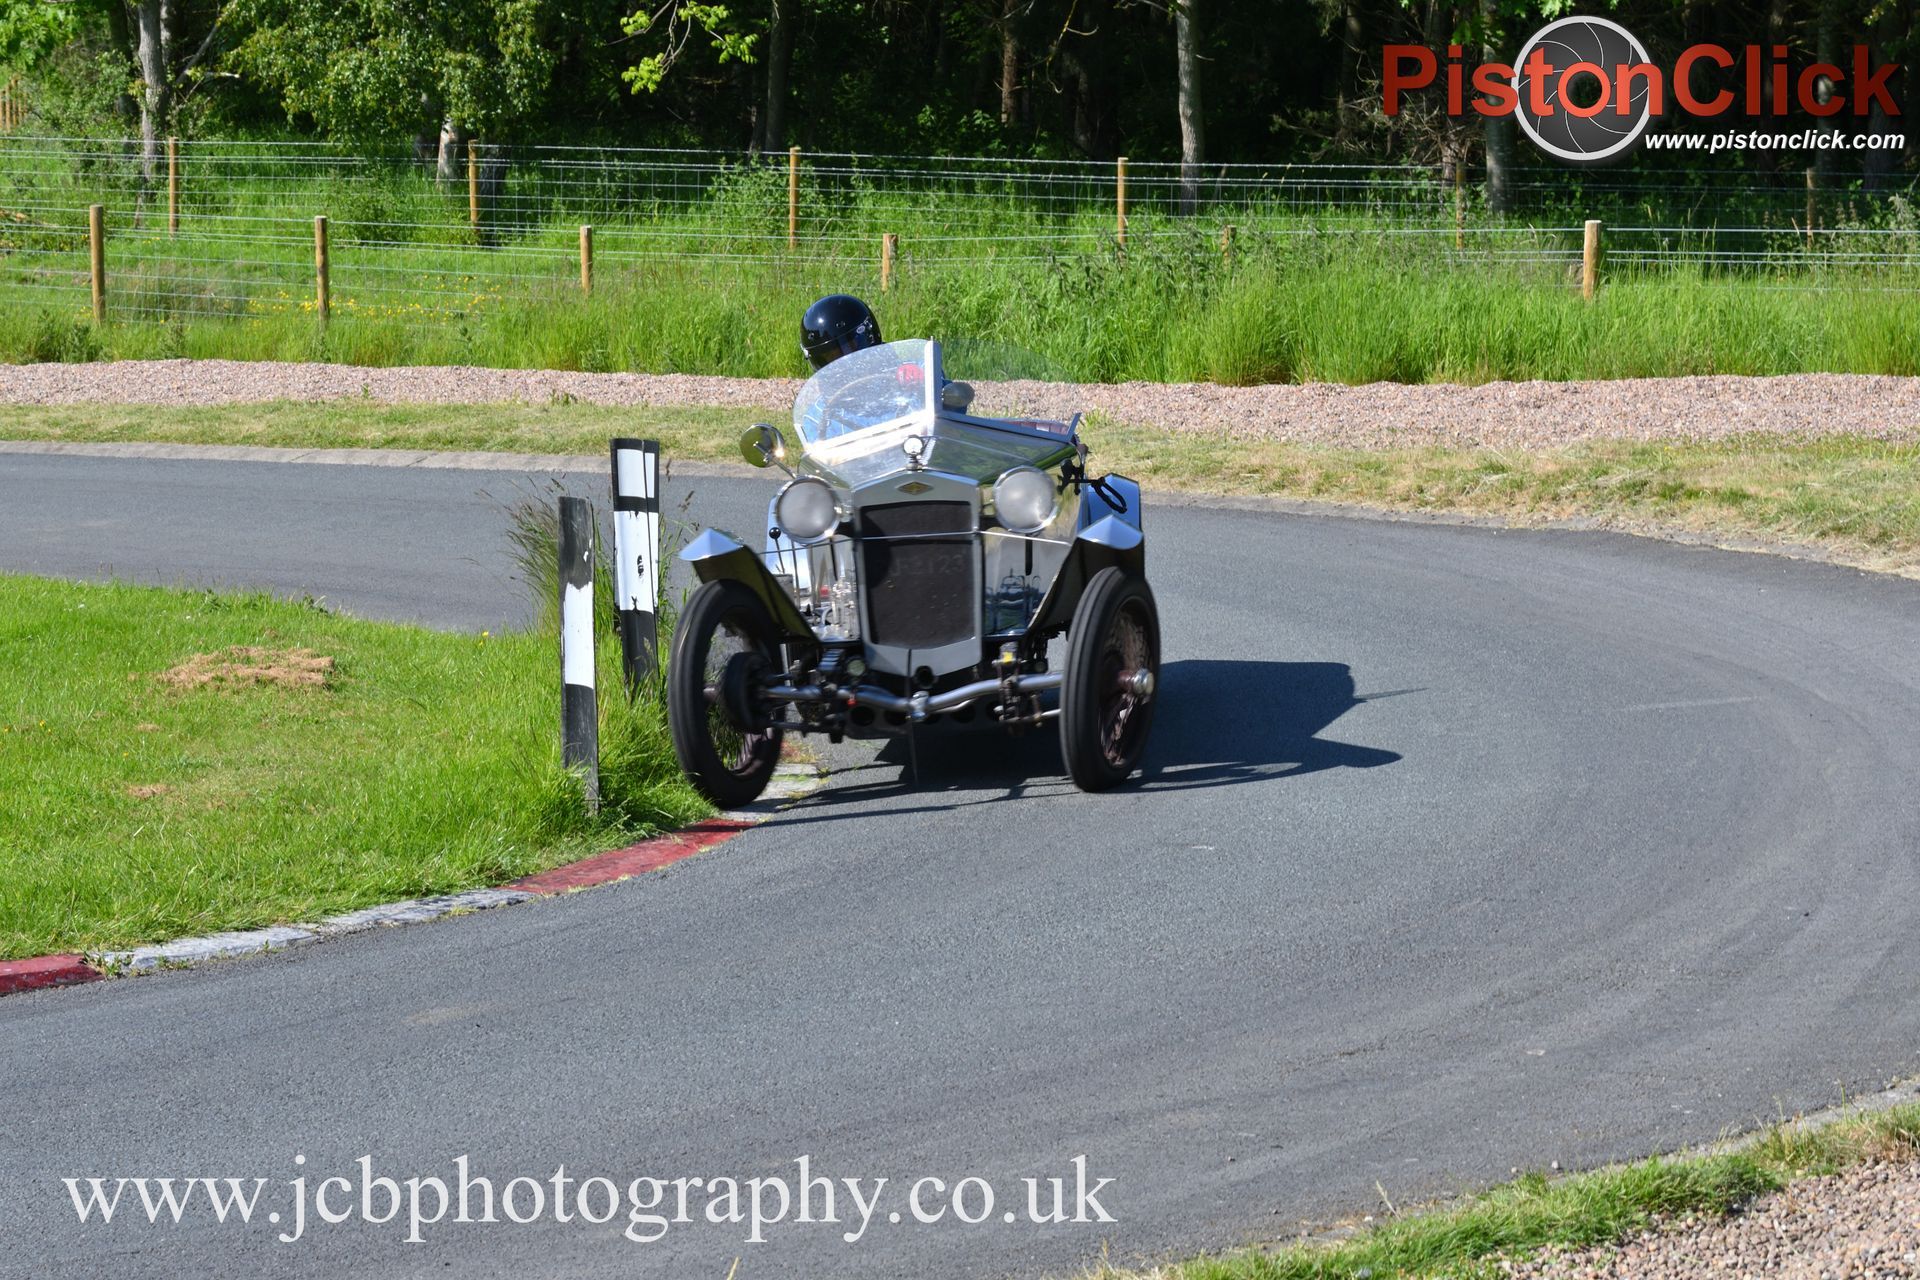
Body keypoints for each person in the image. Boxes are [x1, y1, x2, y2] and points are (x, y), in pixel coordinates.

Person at [800, 294, 882, 369]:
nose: (846, 364)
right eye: (831, 356)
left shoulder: (890, 365)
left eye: (850, 347)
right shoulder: (826, 383)